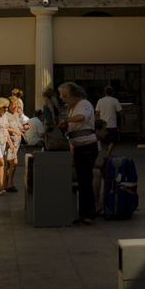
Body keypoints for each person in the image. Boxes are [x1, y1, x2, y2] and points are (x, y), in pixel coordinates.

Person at [59, 82, 98, 225]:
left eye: (65, 96)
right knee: (82, 181)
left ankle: (89, 215)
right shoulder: (72, 108)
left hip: (88, 148)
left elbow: (81, 118)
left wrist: (67, 120)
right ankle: (83, 214)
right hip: (79, 148)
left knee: (86, 181)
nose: (63, 99)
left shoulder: (84, 104)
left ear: (74, 94)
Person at [3, 96, 28, 192]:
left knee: (9, 164)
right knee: (13, 162)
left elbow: (19, 126)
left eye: (16, 104)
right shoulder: (6, 115)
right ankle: (9, 184)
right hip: (10, 141)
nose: (15, 106)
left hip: (17, 142)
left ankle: (7, 184)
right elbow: (5, 127)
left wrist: (24, 127)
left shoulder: (16, 114)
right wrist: (14, 131)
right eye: (13, 105)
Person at [94, 86, 123, 161]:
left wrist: (94, 122)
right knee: (113, 140)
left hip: (103, 125)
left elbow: (97, 113)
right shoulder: (115, 101)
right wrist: (124, 120)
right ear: (113, 92)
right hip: (112, 124)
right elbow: (120, 112)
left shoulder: (100, 101)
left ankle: (108, 155)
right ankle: (108, 154)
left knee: (106, 141)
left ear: (104, 92)